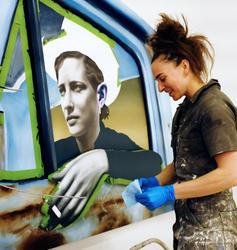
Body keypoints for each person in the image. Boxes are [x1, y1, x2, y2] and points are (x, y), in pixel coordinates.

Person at [135, 14, 237, 249]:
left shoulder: (214, 107)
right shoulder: (185, 111)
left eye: (162, 79)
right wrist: (155, 180)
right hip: (189, 229)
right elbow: (185, 163)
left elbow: (230, 174)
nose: (160, 88)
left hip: (214, 233)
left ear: (184, 66)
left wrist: (169, 193)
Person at [44, 51, 162, 230]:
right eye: (62, 90)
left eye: (77, 88)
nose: (67, 103)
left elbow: (153, 162)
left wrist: (101, 160)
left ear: (100, 96)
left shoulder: (116, 142)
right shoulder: (56, 151)